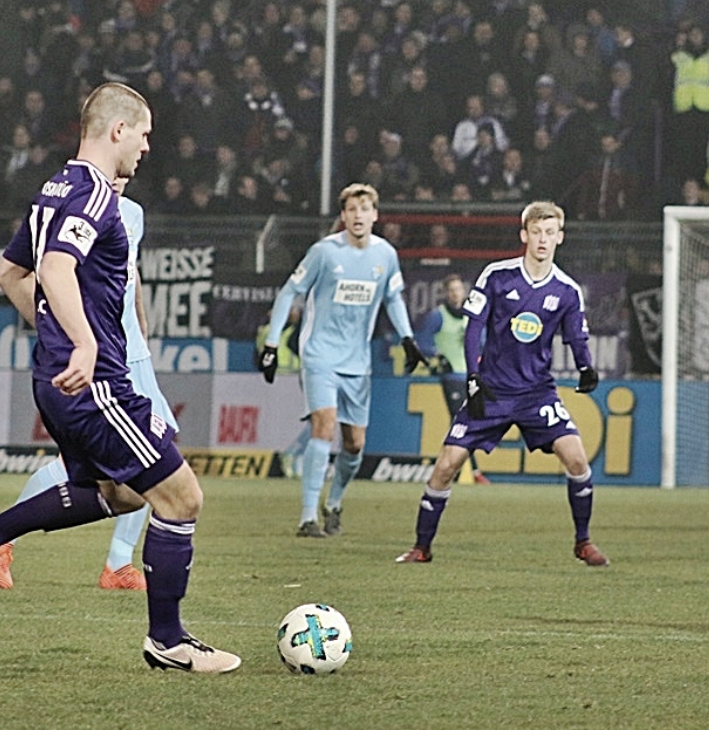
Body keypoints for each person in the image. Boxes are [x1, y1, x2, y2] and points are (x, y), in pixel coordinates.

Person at [0, 82, 239, 674]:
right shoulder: (94, 194)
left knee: (123, 492)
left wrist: (56, 335)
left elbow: (8, 271)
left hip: (66, 379)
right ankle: (168, 641)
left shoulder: (53, 190)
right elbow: (54, 267)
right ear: (116, 131)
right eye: (145, 133)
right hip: (98, 381)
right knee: (182, 499)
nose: (148, 147)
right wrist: (81, 344)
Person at [0, 174, 179, 592]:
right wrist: (60, 333)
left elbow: (130, 273)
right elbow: (40, 274)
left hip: (131, 356)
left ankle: (118, 564)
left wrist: (141, 331)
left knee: (152, 463)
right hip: (96, 358)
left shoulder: (133, 214)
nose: (123, 178)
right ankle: (0, 539)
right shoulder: (73, 207)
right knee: (90, 467)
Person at [395, 201, 607, 567]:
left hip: (536, 392)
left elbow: (576, 338)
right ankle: (421, 546)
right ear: (524, 235)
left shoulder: (567, 290)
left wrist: (586, 368)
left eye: (550, 232)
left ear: (560, 237)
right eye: (536, 232)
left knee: (575, 458)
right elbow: (474, 325)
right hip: (491, 389)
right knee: (447, 464)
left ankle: (583, 541)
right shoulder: (497, 275)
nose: (543, 239)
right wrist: (473, 376)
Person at [259, 183, 425, 537]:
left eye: (364, 209)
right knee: (324, 423)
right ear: (343, 216)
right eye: (351, 209)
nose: (358, 216)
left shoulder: (385, 255)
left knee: (355, 444)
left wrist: (407, 338)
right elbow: (291, 290)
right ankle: (307, 518)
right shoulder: (324, 252)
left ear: (375, 215)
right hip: (319, 354)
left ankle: (333, 502)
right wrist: (272, 344)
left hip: (357, 361)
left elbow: (394, 298)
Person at [413, 272, 490, 484]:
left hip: (472, 376)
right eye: (451, 290)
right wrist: (438, 356)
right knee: (461, 421)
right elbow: (423, 342)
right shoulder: (437, 316)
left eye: (458, 289)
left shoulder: (471, 315)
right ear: (446, 294)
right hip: (452, 377)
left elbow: (482, 342)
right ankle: (470, 472)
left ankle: (452, 468)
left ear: (463, 291)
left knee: (468, 423)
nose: (455, 294)